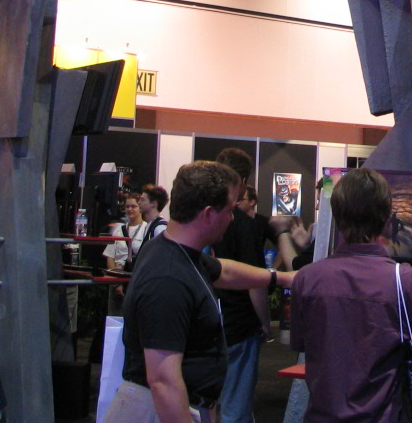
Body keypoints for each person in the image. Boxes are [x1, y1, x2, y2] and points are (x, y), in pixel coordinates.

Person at [102, 161, 292, 423]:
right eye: (229, 210)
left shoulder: (177, 252)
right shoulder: (167, 278)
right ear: (208, 214)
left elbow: (224, 271)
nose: (232, 218)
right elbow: (164, 382)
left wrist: (282, 277)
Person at [290, 168, 412, 422]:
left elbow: (302, 346)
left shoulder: (307, 278)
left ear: (336, 214)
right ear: (387, 219)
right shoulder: (407, 281)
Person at [212, 148, 274, 423]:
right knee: (235, 406)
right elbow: (255, 281)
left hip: (206, 320)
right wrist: (265, 323)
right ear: (245, 182)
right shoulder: (244, 226)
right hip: (238, 323)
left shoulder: (203, 217)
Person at [104, 194, 146, 315]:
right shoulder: (118, 230)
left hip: (136, 281)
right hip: (117, 279)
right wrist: (116, 281)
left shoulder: (147, 229)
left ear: (140, 208)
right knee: (115, 318)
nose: (129, 209)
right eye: (127, 206)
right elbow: (110, 256)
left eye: (133, 206)